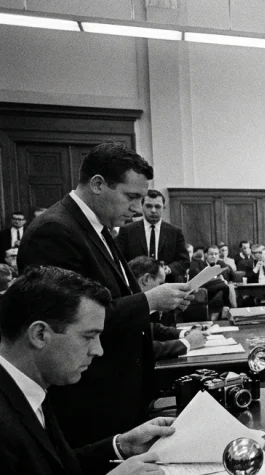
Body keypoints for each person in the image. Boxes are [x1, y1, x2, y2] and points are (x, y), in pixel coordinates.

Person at [17, 142, 193, 448]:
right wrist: (150, 301)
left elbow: (117, 296)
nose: (137, 209)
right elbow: (70, 320)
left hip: (121, 392)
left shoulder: (98, 228)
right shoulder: (55, 230)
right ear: (98, 184)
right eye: (131, 197)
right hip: (90, 399)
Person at [0, 266, 175, 475]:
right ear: (40, 334)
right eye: (88, 336)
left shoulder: (29, 383)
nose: (98, 350)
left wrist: (121, 445)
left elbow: (52, 470)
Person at [130, 256, 206, 365]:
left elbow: (152, 328)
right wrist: (187, 342)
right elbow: (141, 350)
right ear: (146, 279)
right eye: (161, 284)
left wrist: (185, 333)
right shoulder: (124, 305)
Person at [114, 190, 190, 282]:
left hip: (167, 283)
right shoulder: (127, 231)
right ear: (142, 207)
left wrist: (169, 269)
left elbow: (184, 261)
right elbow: (118, 259)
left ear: (163, 208)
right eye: (149, 206)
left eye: (157, 206)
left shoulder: (175, 232)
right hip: (136, 284)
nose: (153, 210)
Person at [188, 246, 232, 313]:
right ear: (206, 255)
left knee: (226, 287)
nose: (214, 256)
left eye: (216, 254)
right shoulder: (199, 265)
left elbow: (233, 275)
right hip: (205, 290)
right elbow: (198, 282)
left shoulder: (221, 263)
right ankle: (228, 307)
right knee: (224, 286)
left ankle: (227, 309)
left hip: (220, 291)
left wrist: (227, 281)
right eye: (211, 254)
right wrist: (220, 280)